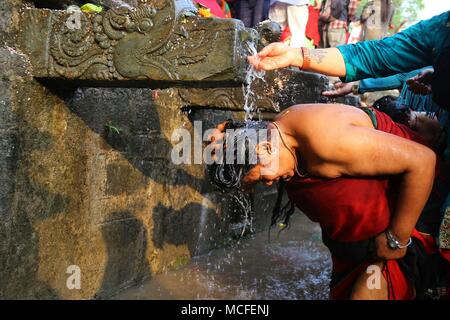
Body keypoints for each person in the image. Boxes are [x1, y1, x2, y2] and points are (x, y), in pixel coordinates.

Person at [208, 103, 449, 299]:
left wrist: (396, 240)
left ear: (266, 147)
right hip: (362, 244)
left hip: (412, 217)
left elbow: (423, 161)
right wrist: (229, 132)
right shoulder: (275, 132)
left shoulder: (327, 142)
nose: (269, 182)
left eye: (261, 176)